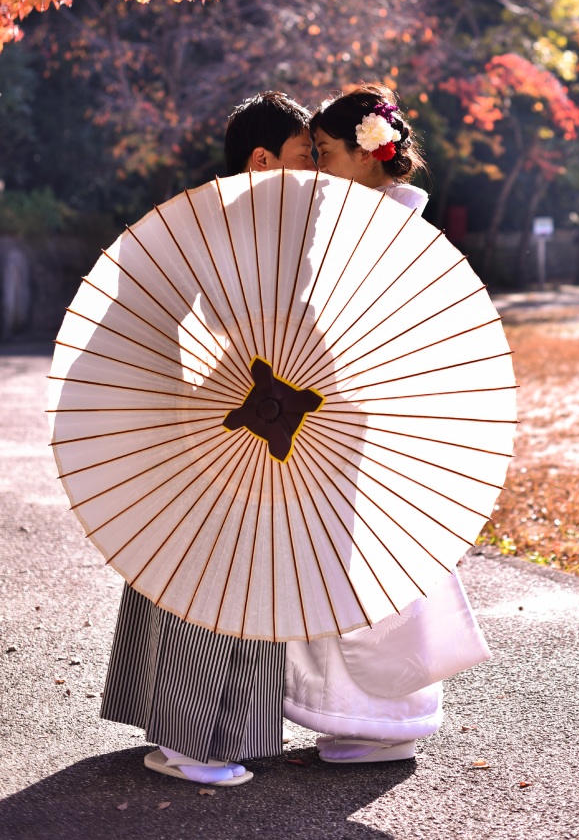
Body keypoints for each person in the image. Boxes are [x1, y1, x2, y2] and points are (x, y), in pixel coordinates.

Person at [100, 90, 313, 787]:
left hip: (254, 419)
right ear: (261, 159)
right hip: (216, 420)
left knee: (245, 572)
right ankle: (189, 743)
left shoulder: (259, 225)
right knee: (212, 572)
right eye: (304, 156)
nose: (314, 171)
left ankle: (220, 733)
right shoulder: (220, 226)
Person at [283, 84, 491, 764]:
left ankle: (381, 720)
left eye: (325, 151)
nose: (317, 165)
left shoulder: (384, 226)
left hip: (368, 415)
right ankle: (359, 714)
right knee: (344, 564)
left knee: (369, 568)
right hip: (340, 413)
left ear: (372, 152)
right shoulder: (360, 219)